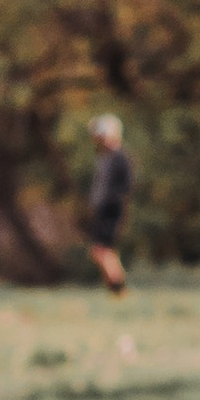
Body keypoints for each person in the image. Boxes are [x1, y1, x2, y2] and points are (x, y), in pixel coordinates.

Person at [82, 112, 133, 293]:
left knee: (102, 250)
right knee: (101, 251)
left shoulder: (119, 157)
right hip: (103, 209)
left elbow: (126, 185)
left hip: (111, 209)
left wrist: (111, 203)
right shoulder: (105, 158)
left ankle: (119, 288)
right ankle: (114, 289)